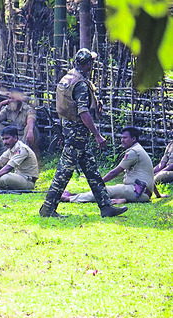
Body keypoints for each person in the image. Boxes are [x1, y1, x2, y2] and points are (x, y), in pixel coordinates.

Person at [38, 48, 127, 218]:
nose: (93, 65)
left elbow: (64, 108)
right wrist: (97, 135)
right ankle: (48, 208)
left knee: (92, 170)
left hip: (71, 129)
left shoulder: (67, 78)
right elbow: (83, 112)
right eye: (91, 62)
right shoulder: (80, 84)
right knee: (64, 171)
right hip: (78, 132)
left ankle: (106, 206)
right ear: (87, 64)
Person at [61, 126, 154, 204]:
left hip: (137, 192)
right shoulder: (138, 149)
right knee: (113, 190)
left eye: (125, 138)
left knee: (105, 190)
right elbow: (150, 176)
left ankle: (69, 198)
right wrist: (157, 195)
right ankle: (121, 199)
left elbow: (115, 172)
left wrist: (99, 183)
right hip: (142, 192)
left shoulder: (134, 152)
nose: (122, 140)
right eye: (121, 138)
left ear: (133, 139)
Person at [0, 88, 39, 155]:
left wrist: (30, 131)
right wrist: (0, 104)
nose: (10, 101)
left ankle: (24, 153)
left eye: (13, 98)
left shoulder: (27, 108)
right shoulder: (8, 109)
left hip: (24, 137)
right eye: (9, 98)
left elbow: (31, 119)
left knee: (30, 127)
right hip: (13, 137)